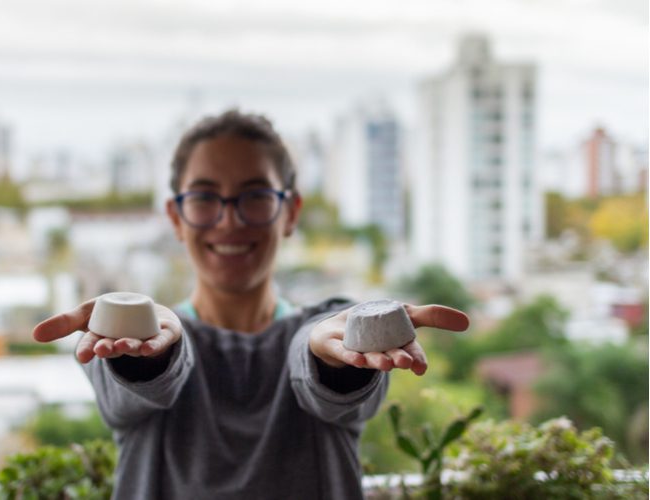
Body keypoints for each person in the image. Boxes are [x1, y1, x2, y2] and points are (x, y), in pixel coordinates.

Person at [33, 110, 469, 500]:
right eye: (204, 198)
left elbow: (320, 366)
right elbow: (132, 393)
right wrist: (148, 358)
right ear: (175, 218)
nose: (229, 220)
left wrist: (340, 362)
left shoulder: (328, 331)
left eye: (255, 196)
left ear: (291, 212)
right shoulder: (142, 336)